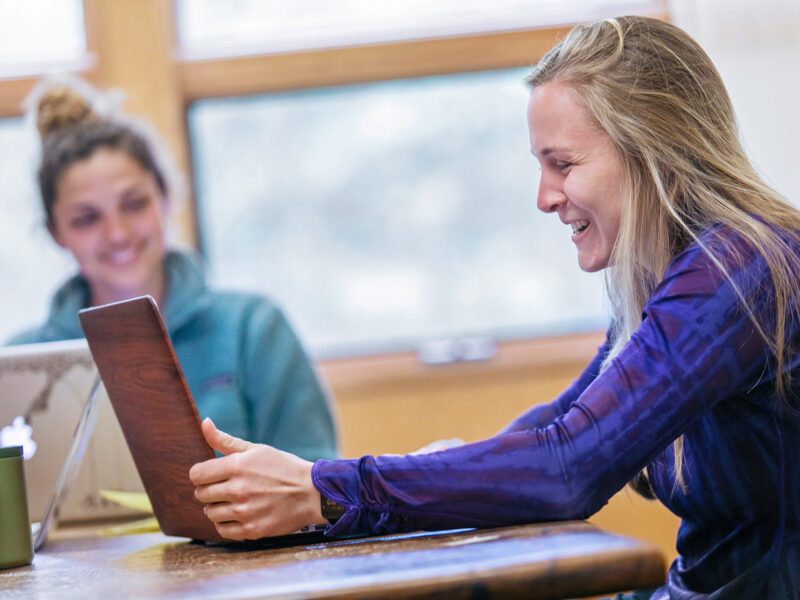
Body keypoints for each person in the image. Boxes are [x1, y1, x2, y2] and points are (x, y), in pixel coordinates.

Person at [188, 16, 800, 599]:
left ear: (653, 152)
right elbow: (558, 425)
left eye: (562, 164)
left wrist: (323, 491)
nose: (543, 196)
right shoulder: (668, 277)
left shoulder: (741, 270)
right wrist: (420, 476)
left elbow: (570, 466)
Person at [8, 80, 339, 462]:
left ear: (165, 199)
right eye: (87, 219)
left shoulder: (253, 329)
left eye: (134, 204)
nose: (117, 234)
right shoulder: (21, 366)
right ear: (55, 233)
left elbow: (319, 485)